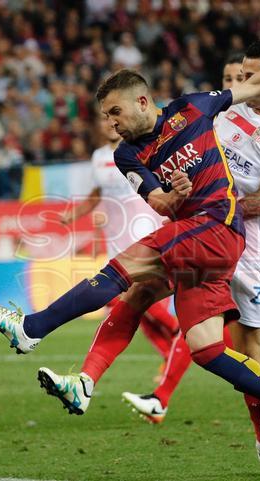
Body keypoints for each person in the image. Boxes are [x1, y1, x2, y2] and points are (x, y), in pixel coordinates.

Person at [0, 15, 260, 456]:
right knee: (198, 343)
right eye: (235, 75)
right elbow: (159, 201)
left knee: (232, 339)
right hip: (197, 232)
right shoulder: (129, 152)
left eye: (115, 113)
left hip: (233, 233)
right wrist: (177, 193)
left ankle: (33, 328)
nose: (111, 124)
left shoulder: (254, 125)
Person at [121, 41, 260, 476]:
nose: (239, 84)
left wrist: (212, 202)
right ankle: (93, 379)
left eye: (248, 76)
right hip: (197, 236)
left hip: (244, 249)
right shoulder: (223, 111)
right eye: (237, 76)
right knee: (136, 289)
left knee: (251, 356)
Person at [60, 114, 179, 378]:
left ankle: (175, 332)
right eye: (102, 119)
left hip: (143, 229)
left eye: (112, 117)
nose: (108, 124)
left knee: (135, 296)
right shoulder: (98, 157)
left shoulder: (139, 149)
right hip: (115, 237)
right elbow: (96, 195)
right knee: (130, 305)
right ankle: (171, 352)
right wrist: (74, 214)